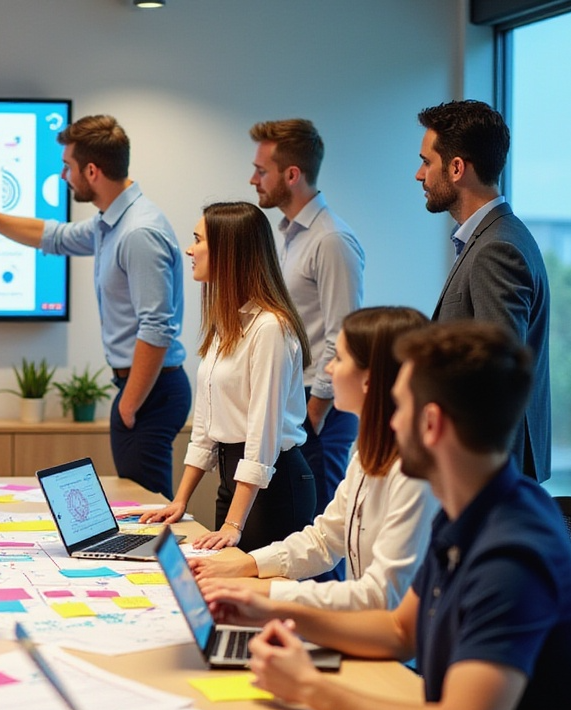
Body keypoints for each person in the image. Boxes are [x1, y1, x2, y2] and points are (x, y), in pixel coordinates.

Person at [205, 321, 571, 710]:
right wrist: (267, 610)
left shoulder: (514, 553)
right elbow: (400, 631)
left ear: (431, 423)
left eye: (398, 405)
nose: (389, 420)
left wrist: (309, 688)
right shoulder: (470, 512)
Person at [0, 115, 189, 499]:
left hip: (151, 390)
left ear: (92, 170)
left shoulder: (137, 232)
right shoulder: (111, 223)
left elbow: (156, 328)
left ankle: (163, 562)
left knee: (148, 509)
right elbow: (50, 236)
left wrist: (129, 404)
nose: (64, 176)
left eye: (67, 167)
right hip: (143, 387)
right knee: (144, 506)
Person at [191, 306, 438, 610]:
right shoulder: (366, 459)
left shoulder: (414, 475)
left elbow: (380, 595)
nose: (329, 369)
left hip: (400, 653)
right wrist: (246, 565)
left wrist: (265, 594)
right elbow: (324, 540)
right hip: (368, 632)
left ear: (369, 380)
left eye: (339, 358)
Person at [140, 202, 315, 552]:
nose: (189, 249)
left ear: (228, 251)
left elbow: (262, 435)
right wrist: (180, 501)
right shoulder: (229, 323)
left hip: (273, 487)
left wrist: (234, 523)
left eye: (198, 240)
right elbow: (205, 429)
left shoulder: (270, 328)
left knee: (262, 600)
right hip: (235, 482)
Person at [416, 100, 550, 483]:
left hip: (489, 479)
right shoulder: (493, 238)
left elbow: (497, 382)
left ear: (457, 168)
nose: (419, 174)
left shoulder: (497, 248)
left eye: (427, 162)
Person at [249, 119, 364, 518]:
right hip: (299, 412)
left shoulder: (331, 240)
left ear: (292, 174)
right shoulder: (291, 235)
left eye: (262, 171)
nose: (253, 179)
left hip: (322, 416)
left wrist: (314, 412)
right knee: (299, 533)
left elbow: (343, 335)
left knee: (323, 537)